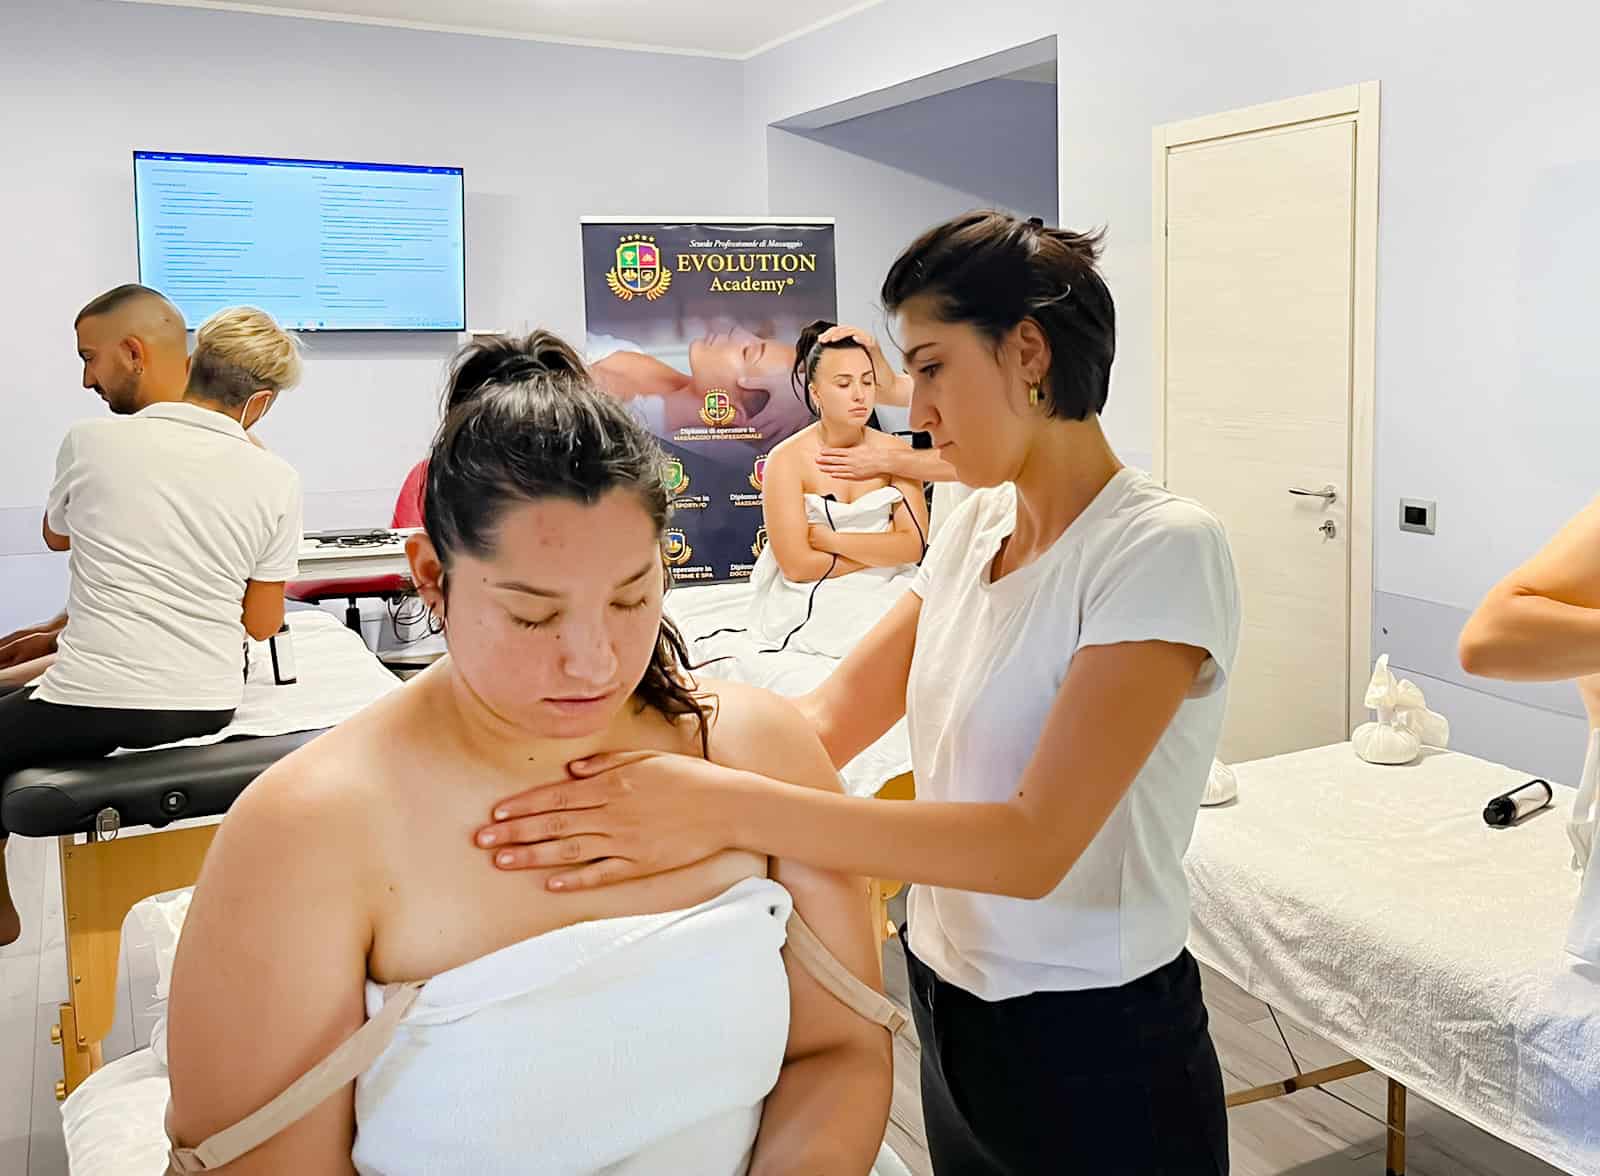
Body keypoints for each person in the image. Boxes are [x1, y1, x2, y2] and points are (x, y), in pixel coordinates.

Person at [476, 212, 1242, 1174]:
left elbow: (1033, 843)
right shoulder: (976, 528)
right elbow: (829, 722)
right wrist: (609, 749)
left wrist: (713, 804)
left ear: (1029, 352)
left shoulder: (1159, 547)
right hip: (948, 998)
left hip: (1098, 1041)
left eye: (928, 367)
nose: (911, 410)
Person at [165, 333, 893, 1175]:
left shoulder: (751, 749)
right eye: (533, 616)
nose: (592, 662)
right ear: (431, 576)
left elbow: (838, 1053)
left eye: (631, 599)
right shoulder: (313, 826)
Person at [0, 306, 302, 946]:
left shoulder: (92, 439)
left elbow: (56, 536)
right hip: (207, 705)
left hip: (95, 701)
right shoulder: (275, 476)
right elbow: (261, 624)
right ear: (262, 401)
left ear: (193, 364)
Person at [0, 285, 193, 680]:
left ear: (133, 353)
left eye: (89, 358)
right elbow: (130, 588)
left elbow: (58, 538)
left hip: (144, 675)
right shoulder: (237, 447)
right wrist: (53, 632)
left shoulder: (95, 443)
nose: (87, 380)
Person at [746, 319, 928, 652]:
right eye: (844, 384)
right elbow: (798, 565)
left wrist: (833, 540)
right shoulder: (786, 460)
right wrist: (879, 553)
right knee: (853, 634)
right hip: (815, 590)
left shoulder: (897, 454)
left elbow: (913, 547)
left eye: (868, 382)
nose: (859, 395)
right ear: (816, 393)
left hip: (892, 584)